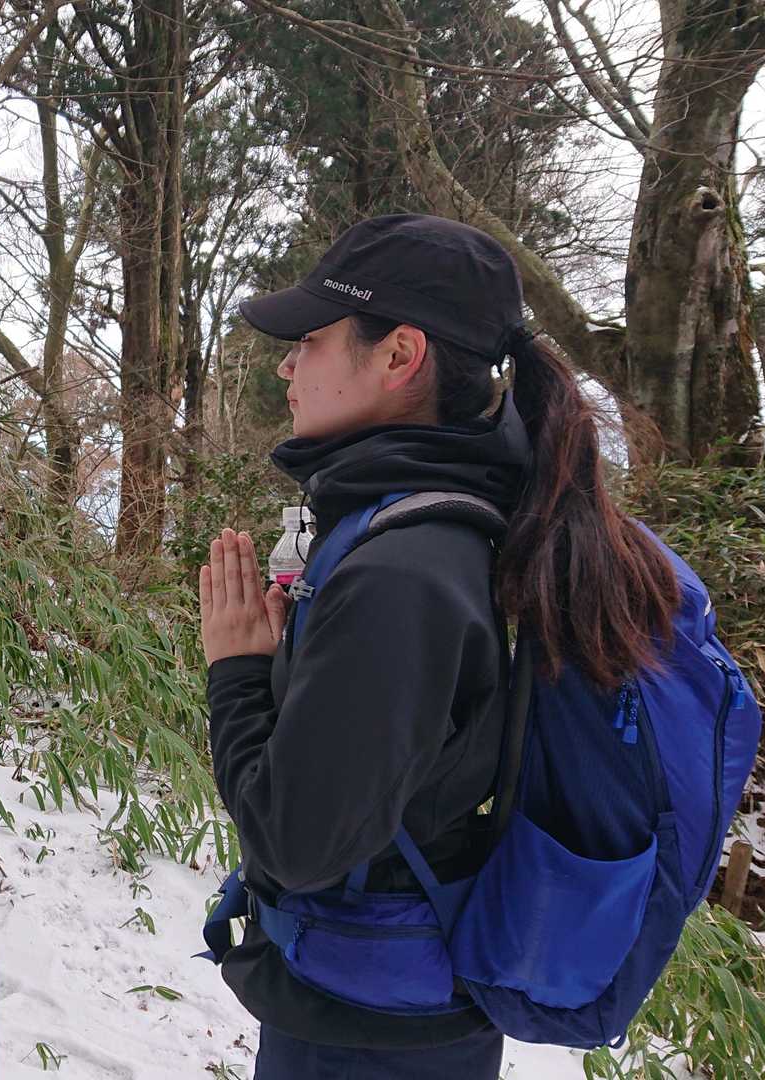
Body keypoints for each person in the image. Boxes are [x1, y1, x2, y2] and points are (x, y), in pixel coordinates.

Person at [197, 214, 677, 1078]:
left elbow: (295, 843)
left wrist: (235, 671)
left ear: (399, 354)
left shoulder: (401, 572)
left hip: (362, 1036)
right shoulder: (454, 526)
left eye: (309, 340)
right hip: (401, 1005)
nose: (285, 366)